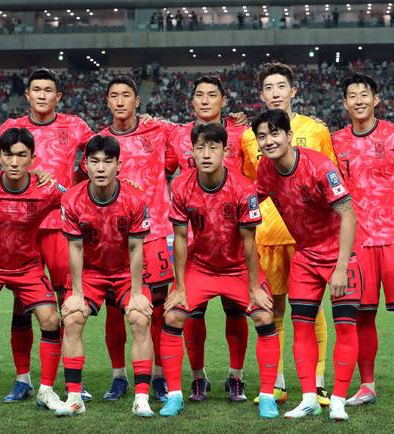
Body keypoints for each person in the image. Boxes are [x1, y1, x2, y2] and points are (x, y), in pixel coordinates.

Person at [159, 122, 279, 418]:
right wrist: (180, 288)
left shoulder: (243, 188)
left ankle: (265, 395)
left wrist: (254, 288)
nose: (206, 153)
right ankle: (175, 395)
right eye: (200, 147)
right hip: (200, 267)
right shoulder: (182, 186)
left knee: (264, 315)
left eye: (213, 147)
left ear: (225, 151)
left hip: (237, 268)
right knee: (174, 314)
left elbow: (249, 242)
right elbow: (180, 239)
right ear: (192, 151)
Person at [332, 73, 394, 411]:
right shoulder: (335, 142)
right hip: (357, 242)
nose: (359, 100)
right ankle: (367, 386)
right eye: (352, 95)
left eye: (364, 94)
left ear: (376, 99)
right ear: (345, 103)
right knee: (362, 317)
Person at [0, 68, 95, 402]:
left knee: (68, 303)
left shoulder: (74, 125)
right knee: (22, 304)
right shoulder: (11, 128)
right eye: (35, 89)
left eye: (47, 90)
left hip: (62, 226)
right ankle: (22, 378)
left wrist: (78, 184)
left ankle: (69, 378)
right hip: (24, 228)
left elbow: (101, 152)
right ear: (27, 95)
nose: (41, 95)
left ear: (57, 96)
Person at [253, 109, 359, 421]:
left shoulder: (319, 166)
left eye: (275, 133)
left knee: (345, 325)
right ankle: (309, 398)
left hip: (340, 254)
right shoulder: (265, 169)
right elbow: (249, 202)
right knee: (301, 326)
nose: (269, 141)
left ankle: (338, 400)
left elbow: (348, 214)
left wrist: (341, 267)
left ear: (288, 135)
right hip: (305, 255)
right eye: (262, 136)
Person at [241, 63, 336, 406]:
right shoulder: (248, 136)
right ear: (261, 94)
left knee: (313, 309)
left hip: (307, 236)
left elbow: (330, 176)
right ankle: (277, 383)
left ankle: (319, 383)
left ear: (293, 91)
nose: (275, 93)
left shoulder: (316, 130)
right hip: (266, 234)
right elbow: (248, 185)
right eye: (269, 87)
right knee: (273, 309)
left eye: (281, 86)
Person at [0, 128, 65, 413]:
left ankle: (46, 390)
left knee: (51, 320)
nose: (14, 162)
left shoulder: (46, 190)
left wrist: (124, 184)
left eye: (21, 155)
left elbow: (81, 197)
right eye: (8, 155)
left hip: (27, 266)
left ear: (32, 158)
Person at [57, 135, 155, 417]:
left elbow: (136, 247)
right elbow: (75, 248)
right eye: (94, 161)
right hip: (90, 272)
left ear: (119, 166)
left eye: (107, 162)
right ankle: (74, 397)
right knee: (72, 318)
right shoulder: (71, 199)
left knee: (139, 318)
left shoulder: (135, 199)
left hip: (125, 271)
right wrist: (76, 293)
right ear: (85, 165)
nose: (101, 168)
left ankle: (141, 398)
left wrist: (136, 294)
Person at [166, 75, 249, 402]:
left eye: (212, 95)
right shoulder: (176, 135)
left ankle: (236, 377)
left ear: (223, 100)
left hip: (233, 243)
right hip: (194, 245)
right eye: (199, 94)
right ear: (191, 101)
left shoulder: (242, 133)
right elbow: (158, 167)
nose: (204, 100)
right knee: (191, 313)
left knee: (236, 313)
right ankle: (198, 377)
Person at [98, 76, 176, 402]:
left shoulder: (158, 131)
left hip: (155, 232)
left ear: (137, 101)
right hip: (113, 237)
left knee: (157, 309)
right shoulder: (99, 141)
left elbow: (192, 133)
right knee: (115, 310)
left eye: (126, 95)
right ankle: (118, 376)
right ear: (107, 101)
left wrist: (232, 121)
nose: (120, 101)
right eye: (114, 96)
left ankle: (158, 374)